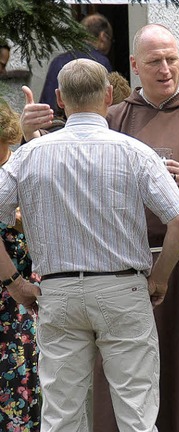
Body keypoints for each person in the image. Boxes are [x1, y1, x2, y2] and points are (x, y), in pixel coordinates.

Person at [19, 23, 179, 432]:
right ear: (134, 67)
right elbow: (66, 166)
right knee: (128, 399)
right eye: (155, 61)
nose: (165, 69)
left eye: (172, 59)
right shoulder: (115, 117)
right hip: (128, 272)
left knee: (176, 371)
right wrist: (30, 133)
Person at [0, 101, 40, 431]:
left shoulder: (20, 167)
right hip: (9, 286)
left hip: (20, 293)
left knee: (21, 376)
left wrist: (19, 223)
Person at [39, 13, 113, 110]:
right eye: (111, 39)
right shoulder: (101, 63)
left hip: (59, 123)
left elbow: (47, 104)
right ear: (103, 36)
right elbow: (110, 105)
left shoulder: (57, 62)